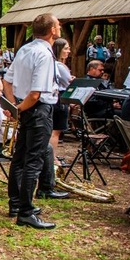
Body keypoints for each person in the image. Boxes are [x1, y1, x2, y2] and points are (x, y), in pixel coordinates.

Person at [0, 76, 68, 205]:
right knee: (46, 148)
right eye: (0, 91)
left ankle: (45, 187)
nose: (1, 94)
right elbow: (8, 134)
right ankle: (45, 188)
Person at [3, 13, 61, 230]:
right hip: (37, 110)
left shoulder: (24, 50)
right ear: (52, 30)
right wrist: (18, 108)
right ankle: (26, 212)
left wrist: (14, 106)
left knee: (19, 158)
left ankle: (16, 204)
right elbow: (36, 94)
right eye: (58, 24)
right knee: (33, 161)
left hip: (25, 108)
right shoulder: (44, 54)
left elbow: (7, 81)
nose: (60, 26)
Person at [50, 38, 74, 167]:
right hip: (60, 98)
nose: (68, 51)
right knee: (56, 131)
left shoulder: (52, 64)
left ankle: (51, 156)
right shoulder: (59, 65)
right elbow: (67, 81)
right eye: (66, 48)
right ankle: (52, 159)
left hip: (56, 98)